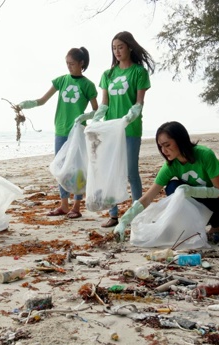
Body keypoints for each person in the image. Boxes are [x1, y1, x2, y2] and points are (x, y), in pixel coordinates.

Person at [113, 121, 219, 242]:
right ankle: (218, 225)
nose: (164, 151)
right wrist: (125, 220)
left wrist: (190, 190)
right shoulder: (171, 166)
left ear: (180, 141)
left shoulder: (204, 155)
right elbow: (148, 198)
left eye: (167, 145)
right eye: (160, 147)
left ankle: (218, 222)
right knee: (172, 187)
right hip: (207, 203)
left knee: (179, 189)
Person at [18, 47, 98, 219]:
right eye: (67, 64)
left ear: (81, 63)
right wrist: (25, 105)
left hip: (78, 131)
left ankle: (76, 206)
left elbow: (97, 110)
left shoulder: (88, 85)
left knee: (77, 170)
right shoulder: (61, 81)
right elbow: (42, 100)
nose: (68, 67)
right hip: (61, 129)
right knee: (61, 168)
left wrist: (87, 116)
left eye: (72, 64)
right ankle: (63, 205)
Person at [91, 31, 154, 228]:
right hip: (110, 131)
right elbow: (104, 104)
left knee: (131, 173)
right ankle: (113, 214)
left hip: (131, 128)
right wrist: (93, 118)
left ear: (129, 47)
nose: (117, 51)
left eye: (120, 47)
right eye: (114, 48)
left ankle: (137, 213)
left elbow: (139, 103)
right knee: (110, 171)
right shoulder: (108, 74)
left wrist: (129, 117)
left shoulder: (139, 72)